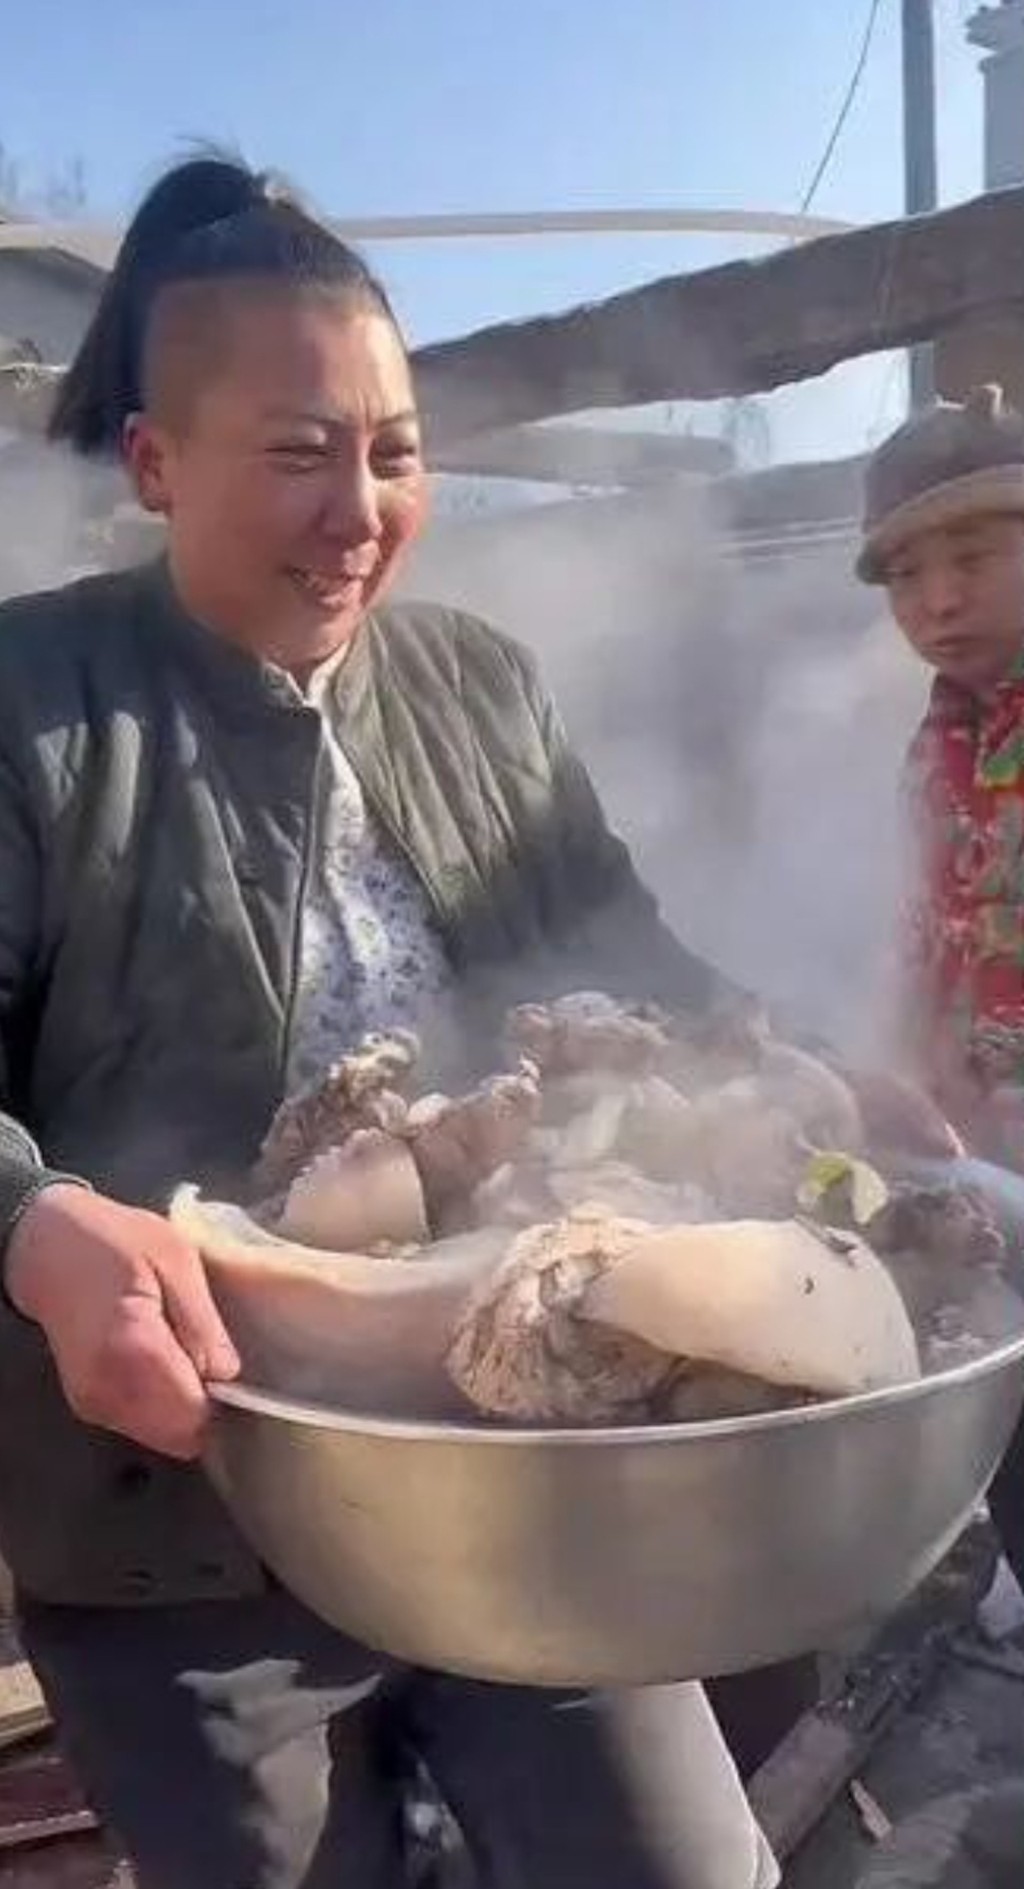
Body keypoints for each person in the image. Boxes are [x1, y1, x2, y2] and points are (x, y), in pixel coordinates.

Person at [0, 153, 788, 1889]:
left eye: (394, 449)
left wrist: (781, 1055)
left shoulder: (478, 683)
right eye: (294, 452)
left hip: (517, 1450)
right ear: (152, 463)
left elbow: (616, 946)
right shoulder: (31, 701)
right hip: (180, 1509)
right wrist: (39, 1222)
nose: (356, 507)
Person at [856, 383, 1024, 1592]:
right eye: (907, 576)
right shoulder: (945, 734)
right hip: (990, 1143)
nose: (938, 599)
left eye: (972, 553)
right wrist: (898, 1065)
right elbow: (926, 924)